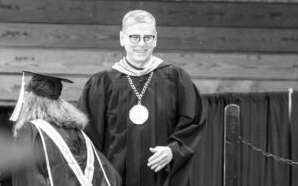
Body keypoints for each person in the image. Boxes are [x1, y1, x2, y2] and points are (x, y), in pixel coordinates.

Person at [78, 10, 205, 186]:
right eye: (134, 37)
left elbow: (194, 121)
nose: (141, 44)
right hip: (115, 178)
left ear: (156, 39)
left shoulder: (176, 79)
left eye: (148, 38)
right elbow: (87, 136)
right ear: (122, 38)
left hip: (163, 178)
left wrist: (173, 150)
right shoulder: (102, 84)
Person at [8, 71, 121, 186]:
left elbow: (26, 178)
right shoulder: (78, 133)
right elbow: (112, 176)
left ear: (29, 100)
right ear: (59, 102)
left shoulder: (30, 130)